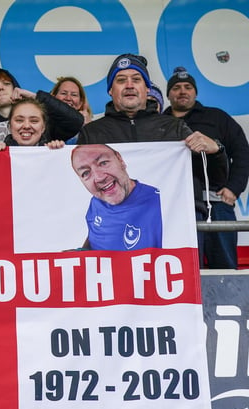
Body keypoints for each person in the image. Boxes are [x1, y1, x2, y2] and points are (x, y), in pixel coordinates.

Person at [77, 53, 228, 266]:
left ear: (147, 89)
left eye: (136, 79)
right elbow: (79, 189)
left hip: (175, 223)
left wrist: (216, 150)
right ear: (111, 90)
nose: (129, 85)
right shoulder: (92, 133)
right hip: (117, 230)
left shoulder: (174, 127)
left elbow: (216, 180)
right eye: (121, 80)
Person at [165, 66, 249, 269]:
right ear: (169, 94)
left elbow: (241, 152)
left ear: (195, 91)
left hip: (216, 203)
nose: (182, 91)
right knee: (185, 269)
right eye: (176, 87)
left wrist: (234, 188)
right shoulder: (160, 122)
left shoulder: (217, 117)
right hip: (176, 206)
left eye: (187, 87)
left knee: (225, 266)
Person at [71, 144, 162, 250]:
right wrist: (80, 253)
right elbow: (98, 235)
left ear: (120, 160)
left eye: (103, 163)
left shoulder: (159, 201)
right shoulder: (96, 202)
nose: (99, 178)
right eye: (86, 173)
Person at [0, 68, 84, 148]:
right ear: (10, 126)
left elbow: (75, 121)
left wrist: (35, 96)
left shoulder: (47, 125)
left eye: (6, 83)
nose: (0, 88)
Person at [0, 98, 66, 151]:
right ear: (9, 126)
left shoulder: (54, 152)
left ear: (43, 127)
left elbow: (76, 121)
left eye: (34, 121)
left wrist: (58, 154)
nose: (26, 126)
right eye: (19, 120)